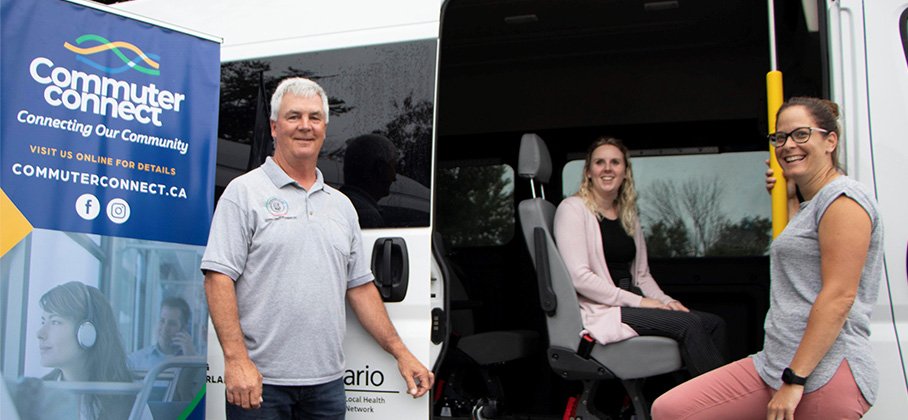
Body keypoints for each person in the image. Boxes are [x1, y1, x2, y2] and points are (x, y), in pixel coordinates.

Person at [201, 77, 434, 419]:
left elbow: (361, 288)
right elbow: (217, 278)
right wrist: (236, 361)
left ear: (324, 127)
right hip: (261, 383)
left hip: (326, 387)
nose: (305, 126)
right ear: (274, 126)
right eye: (294, 117)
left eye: (314, 118)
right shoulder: (244, 192)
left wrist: (402, 352)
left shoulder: (340, 206)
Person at [651, 97, 882, 420]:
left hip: (821, 373)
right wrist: (788, 197)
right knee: (672, 410)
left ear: (830, 141)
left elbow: (838, 297)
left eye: (801, 134)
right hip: (774, 363)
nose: (788, 145)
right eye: (780, 137)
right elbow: (799, 261)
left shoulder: (843, 199)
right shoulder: (810, 205)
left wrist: (795, 379)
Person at [553, 137, 726, 377]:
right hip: (602, 310)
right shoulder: (572, 209)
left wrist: (665, 302)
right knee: (690, 325)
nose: (607, 168)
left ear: (625, 172)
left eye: (615, 162)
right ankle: (716, 407)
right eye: (599, 162)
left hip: (631, 304)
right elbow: (580, 277)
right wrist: (640, 302)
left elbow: (642, 276)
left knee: (713, 323)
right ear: (589, 172)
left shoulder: (628, 215)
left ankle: (690, 403)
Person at [35, 281, 134, 419]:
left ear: (87, 333)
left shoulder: (130, 403)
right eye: (43, 322)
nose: (40, 334)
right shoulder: (36, 394)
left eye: (55, 322)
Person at [340, 134, 398, 228]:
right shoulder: (367, 215)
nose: (394, 178)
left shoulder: (337, 204)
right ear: (380, 169)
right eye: (393, 167)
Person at [128, 297, 196, 371]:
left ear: (184, 328)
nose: (165, 328)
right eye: (162, 321)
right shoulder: (136, 360)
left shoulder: (197, 361)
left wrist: (191, 359)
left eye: (172, 323)